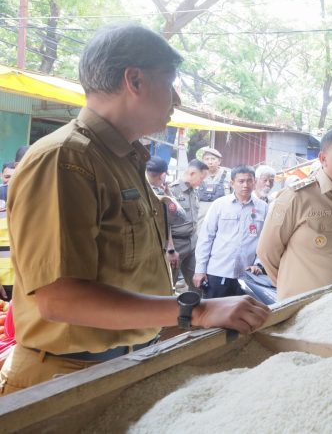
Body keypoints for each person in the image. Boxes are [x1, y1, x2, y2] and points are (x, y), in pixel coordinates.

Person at [0, 23, 270, 395]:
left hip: (122, 365)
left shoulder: (123, 159)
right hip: (67, 381)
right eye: (171, 82)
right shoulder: (66, 159)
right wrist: (197, 310)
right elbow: (59, 299)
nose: (176, 99)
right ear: (135, 81)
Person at [257, 128, 332, 300]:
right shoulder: (296, 197)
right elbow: (267, 253)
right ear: (323, 159)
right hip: (306, 310)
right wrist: (291, 289)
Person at [194, 166, 268, 298]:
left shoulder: (263, 208)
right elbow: (206, 238)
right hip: (218, 272)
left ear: (254, 182)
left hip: (248, 275)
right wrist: (200, 270)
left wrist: (258, 264)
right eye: (241, 181)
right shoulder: (219, 205)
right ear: (232, 183)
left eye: (249, 181)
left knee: (242, 315)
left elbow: (266, 240)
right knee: (214, 314)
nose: (245, 185)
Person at [168, 159, 208, 294]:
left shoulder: (193, 191)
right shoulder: (171, 190)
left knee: (198, 283)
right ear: (192, 173)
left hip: (192, 242)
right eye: (201, 178)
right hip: (176, 243)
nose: (202, 182)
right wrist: (171, 250)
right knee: (169, 284)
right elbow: (164, 223)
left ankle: (195, 312)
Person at [197, 147, 230, 219]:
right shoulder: (198, 175)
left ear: (219, 161)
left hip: (223, 214)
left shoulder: (229, 175)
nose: (210, 162)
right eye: (207, 159)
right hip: (201, 216)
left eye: (213, 159)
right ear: (203, 161)